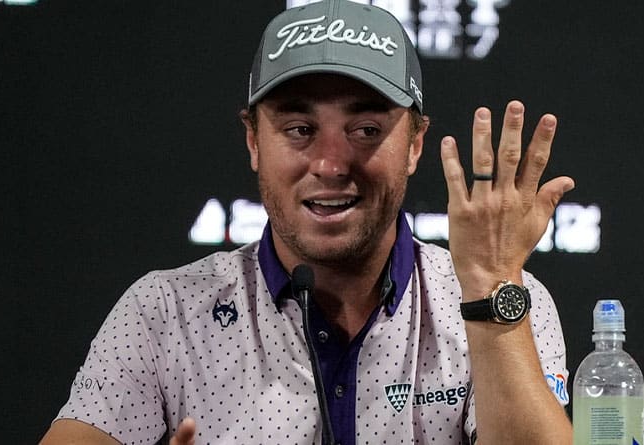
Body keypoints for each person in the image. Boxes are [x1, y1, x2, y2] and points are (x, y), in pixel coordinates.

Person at [40, 1, 574, 444]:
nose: (331, 163)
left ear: (414, 144)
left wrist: (487, 286)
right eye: (299, 129)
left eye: (366, 129)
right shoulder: (164, 313)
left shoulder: (504, 301)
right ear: (254, 141)